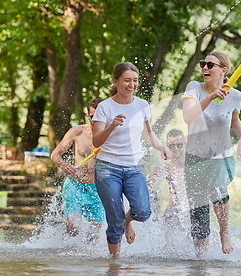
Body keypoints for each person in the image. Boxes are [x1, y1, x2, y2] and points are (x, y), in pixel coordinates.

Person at [182, 51, 241, 256]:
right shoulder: (194, 88)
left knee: (218, 189)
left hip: (222, 156)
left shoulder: (235, 95)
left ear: (223, 70)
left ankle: (224, 233)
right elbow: (188, 117)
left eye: (211, 65)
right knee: (198, 208)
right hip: (195, 157)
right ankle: (201, 255)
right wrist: (210, 97)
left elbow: (235, 121)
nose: (205, 68)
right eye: (203, 64)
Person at [92, 62, 169, 258]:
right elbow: (96, 141)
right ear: (115, 81)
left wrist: (161, 147)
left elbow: (148, 133)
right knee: (114, 220)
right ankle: (115, 263)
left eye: (135, 81)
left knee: (143, 211)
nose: (131, 84)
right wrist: (111, 126)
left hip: (134, 167)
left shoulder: (142, 105)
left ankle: (128, 221)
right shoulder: (104, 107)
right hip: (107, 168)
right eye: (127, 80)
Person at [50, 98, 105, 241]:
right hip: (75, 186)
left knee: (93, 236)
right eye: (93, 116)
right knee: (73, 229)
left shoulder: (111, 136)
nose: (96, 120)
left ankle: (86, 262)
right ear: (88, 115)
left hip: (97, 188)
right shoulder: (77, 132)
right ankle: (63, 244)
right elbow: (55, 155)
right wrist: (63, 165)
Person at [149, 129, 189, 227]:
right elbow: (150, 180)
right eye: (171, 146)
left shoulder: (191, 161)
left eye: (179, 145)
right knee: (168, 217)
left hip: (191, 204)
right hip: (174, 206)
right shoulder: (165, 163)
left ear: (184, 143)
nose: (176, 148)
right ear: (167, 145)